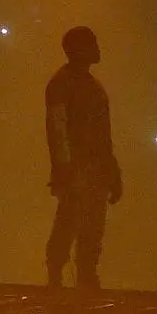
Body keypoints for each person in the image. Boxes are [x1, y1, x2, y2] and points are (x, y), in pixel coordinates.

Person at [43, 26, 121, 289]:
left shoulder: (88, 86)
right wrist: (65, 168)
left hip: (93, 169)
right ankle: (58, 273)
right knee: (70, 220)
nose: (98, 48)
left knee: (91, 225)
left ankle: (84, 274)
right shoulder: (63, 84)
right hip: (78, 168)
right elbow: (57, 129)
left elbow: (103, 135)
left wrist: (112, 170)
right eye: (92, 43)